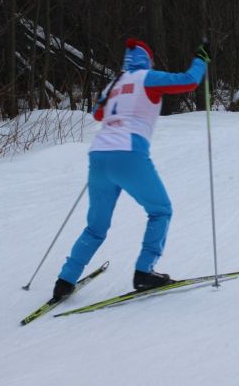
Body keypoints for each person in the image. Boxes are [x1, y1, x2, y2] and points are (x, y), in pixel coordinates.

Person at [53, 38, 210, 300]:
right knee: (160, 210)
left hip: (99, 155)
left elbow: (97, 114)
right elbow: (189, 81)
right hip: (128, 154)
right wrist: (201, 59)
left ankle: (64, 280)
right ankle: (144, 272)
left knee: (96, 227)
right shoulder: (147, 77)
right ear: (147, 60)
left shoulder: (115, 83)